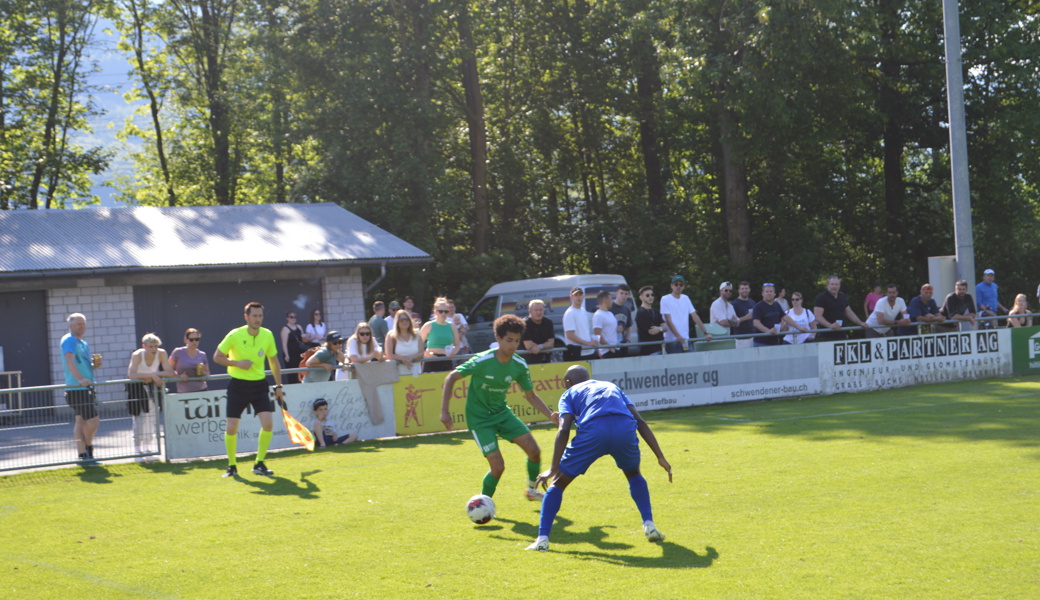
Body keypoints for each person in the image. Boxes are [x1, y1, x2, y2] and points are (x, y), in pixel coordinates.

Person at [525, 365, 671, 552]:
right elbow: (640, 421)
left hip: (594, 432)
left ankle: (542, 540)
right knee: (633, 474)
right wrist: (660, 456)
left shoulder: (569, 393)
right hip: (624, 428)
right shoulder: (610, 386)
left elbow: (564, 429)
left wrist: (553, 468)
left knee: (558, 483)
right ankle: (649, 525)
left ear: (567, 383)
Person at [440, 314, 559, 503]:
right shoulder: (483, 360)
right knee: (498, 467)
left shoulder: (519, 364)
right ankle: (482, 504)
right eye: (509, 340)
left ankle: (531, 490)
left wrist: (550, 415)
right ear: (498, 339)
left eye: (517, 341)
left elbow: (530, 396)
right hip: (480, 420)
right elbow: (451, 378)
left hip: (502, 414)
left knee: (534, 451)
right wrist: (444, 411)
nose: (513, 345)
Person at [213, 301, 285, 478]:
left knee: (268, 423)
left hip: (260, 385)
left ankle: (259, 463)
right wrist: (236, 363)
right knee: (232, 426)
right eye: (254, 316)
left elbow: (274, 361)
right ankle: (232, 466)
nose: (257, 319)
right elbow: (217, 357)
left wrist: (278, 386)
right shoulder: (235, 334)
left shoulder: (267, 335)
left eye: (260, 316)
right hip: (238, 385)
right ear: (246, 317)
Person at [126, 333, 176, 457]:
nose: (154, 349)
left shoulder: (161, 353)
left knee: (152, 418)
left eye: (156, 346)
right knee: (139, 418)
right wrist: (152, 375)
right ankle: (137, 449)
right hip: (137, 388)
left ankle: (147, 447)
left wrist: (155, 375)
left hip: (152, 386)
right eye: (151, 346)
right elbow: (131, 374)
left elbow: (170, 372)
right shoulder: (137, 355)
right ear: (144, 346)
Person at [62, 313, 100, 465]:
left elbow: (83, 365)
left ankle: (83, 455)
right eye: (79, 324)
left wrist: (95, 366)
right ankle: (88, 448)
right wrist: (80, 379)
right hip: (76, 389)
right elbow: (69, 361)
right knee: (94, 420)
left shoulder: (83, 343)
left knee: (80, 421)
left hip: (86, 387)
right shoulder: (69, 340)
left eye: (83, 323)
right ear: (71, 326)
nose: (82, 326)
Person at [661, 275, 712, 353]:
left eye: (681, 284)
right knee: (676, 364)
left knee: (691, 363)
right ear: (671, 285)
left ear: (684, 286)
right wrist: (678, 336)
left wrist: (706, 332)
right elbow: (668, 320)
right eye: (676, 284)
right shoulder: (665, 299)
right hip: (672, 341)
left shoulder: (686, 298)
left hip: (685, 339)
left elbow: (695, 316)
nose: (678, 286)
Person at [814, 275, 868, 341]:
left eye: (836, 284)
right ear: (828, 285)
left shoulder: (842, 296)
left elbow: (849, 313)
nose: (834, 286)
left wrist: (860, 323)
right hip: (826, 336)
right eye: (832, 284)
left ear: (839, 285)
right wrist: (830, 326)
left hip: (841, 333)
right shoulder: (821, 298)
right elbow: (818, 316)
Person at [420, 299, 460, 373]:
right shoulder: (428, 325)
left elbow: (457, 344)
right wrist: (424, 353)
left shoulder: (452, 326)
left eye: (446, 311)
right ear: (435, 312)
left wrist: (453, 352)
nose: (443, 314)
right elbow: (417, 343)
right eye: (440, 311)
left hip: (447, 359)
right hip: (431, 360)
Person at [169, 328, 210, 393]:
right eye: (191, 340)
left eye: (197, 339)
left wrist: (203, 372)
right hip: (184, 392)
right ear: (185, 340)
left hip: (202, 390)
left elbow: (207, 374)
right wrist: (179, 376)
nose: (194, 342)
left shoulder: (202, 354)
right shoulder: (177, 352)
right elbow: (168, 369)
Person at [385, 309, 423, 376]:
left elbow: (421, 353)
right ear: (397, 322)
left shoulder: (417, 333)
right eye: (401, 320)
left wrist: (412, 357)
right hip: (398, 374)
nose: (404, 322)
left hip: (416, 373)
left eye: (407, 319)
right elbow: (389, 355)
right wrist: (402, 359)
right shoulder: (391, 335)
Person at [563, 287, 596, 361]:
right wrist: (587, 343)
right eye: (576, 295)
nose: (579, 297)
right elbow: (570, 335)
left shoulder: (583, 310)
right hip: (577, 353)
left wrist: (592, 341)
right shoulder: (569, 313)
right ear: (571, 297)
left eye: (580, 295)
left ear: (583, 296)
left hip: (589, 352)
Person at [634, 286, 666, 355]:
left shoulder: (656, 311)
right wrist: (661, 328)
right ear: (641, 297)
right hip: (648, 352)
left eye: (652, 295)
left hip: (661, 349)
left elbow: (666, 327)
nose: (650, 297)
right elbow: (652, 331)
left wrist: (659, 328)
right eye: (647, 295)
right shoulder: (641, 313)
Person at [521, 299, 555, 364]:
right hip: (527, 362)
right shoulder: (525, 324)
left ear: (544, 311)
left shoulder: (548, 322)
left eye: (540, 310)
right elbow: (528, 345)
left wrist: (539, 347)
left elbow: (551, 343)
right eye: (536, 310)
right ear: (530, 311)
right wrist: (545, 347)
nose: (538, 312)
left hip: (545, 362)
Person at [592, 290, 621, 359]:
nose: (612, 302)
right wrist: (609, 347)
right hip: (607, 352)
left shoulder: (610, 313)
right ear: (605, 300)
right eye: (610, 300)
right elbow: (597, 335)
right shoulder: (598, 315)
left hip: (616, 349)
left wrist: (618, 328)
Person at [280, 311, 306, 385]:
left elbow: (303, 339)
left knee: (301, 373)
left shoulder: (299, 327)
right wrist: (287, 355)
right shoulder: (285, 329)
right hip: (291, 355)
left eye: (295, 317)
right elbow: (284, 344)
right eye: (291, 317)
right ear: (287, 318)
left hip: (299, 354)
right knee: (292, 374)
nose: (293, 319)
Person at [731, 281, 756, 349]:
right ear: (739, 290)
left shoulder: (752, 302)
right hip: (741, 339)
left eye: (746, 288)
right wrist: (746, 317)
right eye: (742, 288)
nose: (744, 290)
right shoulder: (734, 304)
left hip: (754, 336)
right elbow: (732, 322)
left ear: (749, 290)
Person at [609, 284, 633, 357]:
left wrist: (628, 340)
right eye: (621, 293)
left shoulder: (626, 310)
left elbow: (628, 327)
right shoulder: (609, 308)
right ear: (616, 293)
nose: (623, 296)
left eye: (626, 294)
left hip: (622, 344)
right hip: (611, 345)